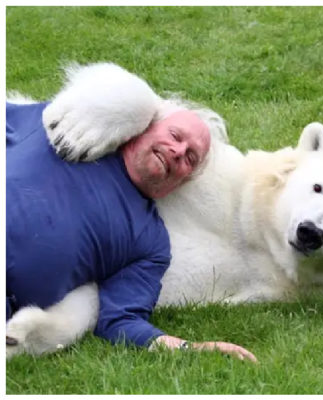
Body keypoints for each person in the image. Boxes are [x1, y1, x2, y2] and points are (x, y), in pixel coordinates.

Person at [6, 100, 257, 362]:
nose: (178, 151)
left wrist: (191, 349)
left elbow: (121, 320)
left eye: (190, 158)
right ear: (145, 128)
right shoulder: (67, 126)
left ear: (182, 182)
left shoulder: (149, 241)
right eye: (175, 135)